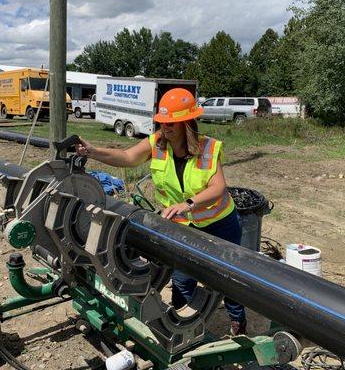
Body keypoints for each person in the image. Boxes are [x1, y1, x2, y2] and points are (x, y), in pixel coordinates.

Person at [75, 88, 247, 335]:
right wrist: (93, 151)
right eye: (162, 122)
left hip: (219, 222)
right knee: (181, 279)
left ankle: (237, 320)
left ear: (186, 123)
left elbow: (218, 187)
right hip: (182, 224)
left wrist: (188, 203)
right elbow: (127, 156)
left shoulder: (208, 148)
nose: (165, 128)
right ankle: (183, 316)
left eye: (171, 124)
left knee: (229, 277)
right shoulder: (157, 143)